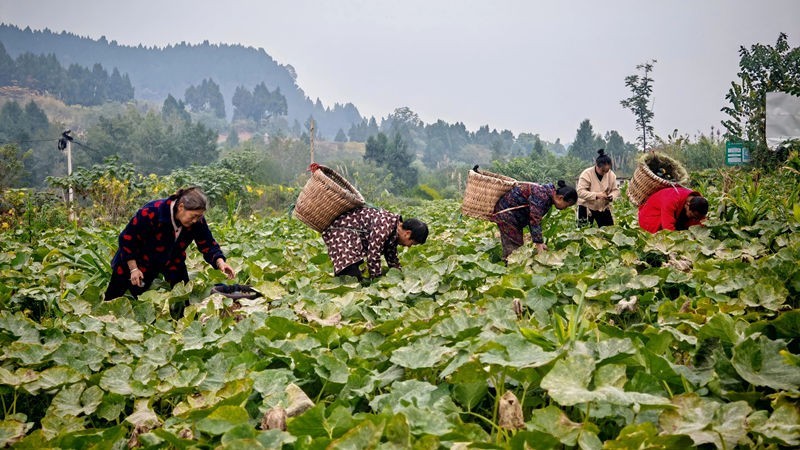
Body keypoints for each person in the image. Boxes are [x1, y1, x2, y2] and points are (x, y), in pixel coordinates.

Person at [104, 187, 235, 310]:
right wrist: (133, 269)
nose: (196, 220)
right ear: (181, 207)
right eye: (194, 216)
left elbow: (207, 243)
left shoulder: (197, 221)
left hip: (172, 260)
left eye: (199, 216)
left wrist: (220, 262)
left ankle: (180, 320)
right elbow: (127, 239)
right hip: (135, 260)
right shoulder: (151, 212)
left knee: (183, 296)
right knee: (115, 297)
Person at [321, 206, 428, 280]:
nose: (409, 246)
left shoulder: (394, 231)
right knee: (351, 275)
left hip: (352, 239)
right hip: (342, 234)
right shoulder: (385, 226)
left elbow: (392, 258)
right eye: (412, 243)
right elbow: (373, 256)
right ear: (408, 233)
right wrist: (377, 281)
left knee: (355, 270)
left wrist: (400, 277)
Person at [491, 180, 578, 260]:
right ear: (560, 198)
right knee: (513, 248)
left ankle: (510, 264)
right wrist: (539, 243)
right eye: (566, 205)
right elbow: (534, 219)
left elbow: (534, 218)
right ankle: (508, 266)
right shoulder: (541, 195)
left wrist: (540, 242)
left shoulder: (548, 196)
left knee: (517, 247)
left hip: (514, 217)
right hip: (507, 214)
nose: (565, 208)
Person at [576, 149, 620, 227]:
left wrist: (611, 196)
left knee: (609, 230)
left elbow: (615, 190)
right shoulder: (586, 174)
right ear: (597, 165)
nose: (605, 173)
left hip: (603, 207)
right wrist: (597, 195)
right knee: (584, 231)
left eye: (607, 170)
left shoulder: (611, 175)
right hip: (586, 207)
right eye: (603, 170)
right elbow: (580, 192)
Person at [638, 186, 708, 233]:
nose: (695, 219)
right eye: (693, 216)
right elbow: (667, 227)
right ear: (687, 205)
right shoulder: (672, 199)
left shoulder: (699, 202)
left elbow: (700, 220)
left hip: (671, 214)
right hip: (650, 219)